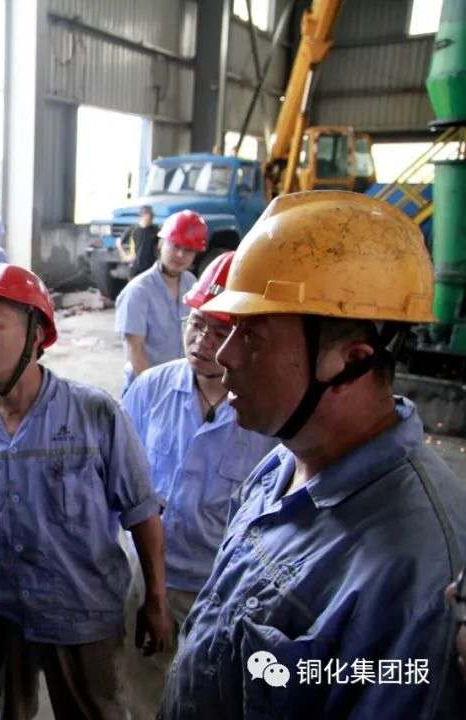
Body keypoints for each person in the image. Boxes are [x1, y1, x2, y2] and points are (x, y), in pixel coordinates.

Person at [161, 192, 466, 718]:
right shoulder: (284, 461)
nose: (224, 354)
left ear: (349, 361)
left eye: (252, 336)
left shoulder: (416, 572)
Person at [0, 264, 171, 720]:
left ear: (35, 335)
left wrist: (156, 601)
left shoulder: (94, 413)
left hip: (82, 613)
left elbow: (142, 513)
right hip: (3, 613)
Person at [121, 251, 277, 642]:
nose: (202, 341)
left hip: (224, 587)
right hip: (145, 575)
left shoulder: (266, 413)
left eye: (220, 333)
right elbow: (117, 479)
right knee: (141, 677)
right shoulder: (149, 388)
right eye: (196, 323)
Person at [114, 210, 206, 394]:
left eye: (188, 250)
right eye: (175, 245)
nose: (180, 255)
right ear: (161, 244)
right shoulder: (138, 292)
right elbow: (135, 351)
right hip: (146, 390)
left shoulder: (192, 284)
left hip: (181, 386)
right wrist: (155, 394)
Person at [119, 205, 159, 277]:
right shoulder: (133, 229)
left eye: (152, 216)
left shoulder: (155, 230)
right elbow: (119, 242)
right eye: (150, 216)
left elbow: (157, 247)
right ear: (143, 216)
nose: (152, 218)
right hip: (136, 267)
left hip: (150, 267)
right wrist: (125, 257)